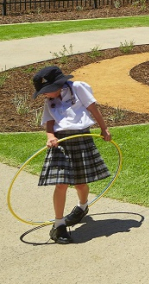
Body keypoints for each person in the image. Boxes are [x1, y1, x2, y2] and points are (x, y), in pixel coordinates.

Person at [33, 65, 112, 244]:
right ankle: (59, 225)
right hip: (61, 143)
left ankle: (82, 207)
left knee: (80, 183)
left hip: (81, 138)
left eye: (46, 91)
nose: (45, 95)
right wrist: (50, 136)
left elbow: (93, 108)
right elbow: (49, 122)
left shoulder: (77, 88)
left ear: (58, 85)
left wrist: (104, 128)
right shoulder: (49, 100)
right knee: (61, 184)